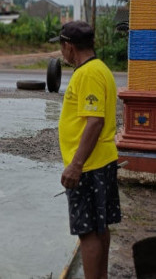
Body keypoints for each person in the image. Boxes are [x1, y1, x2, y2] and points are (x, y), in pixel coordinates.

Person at [52, 21, 120, 278]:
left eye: (61, 46)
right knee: (99, 226)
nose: (61, 52)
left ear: (69, 46)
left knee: (88, 230)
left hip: (89, 166)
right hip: (100, 161)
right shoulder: (99, 68)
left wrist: (76, 165)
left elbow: (95, 121)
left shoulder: (89, 73)